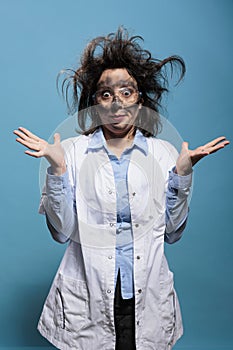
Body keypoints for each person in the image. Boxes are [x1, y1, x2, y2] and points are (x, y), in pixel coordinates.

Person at [14, 28, 229, 350]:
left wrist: (182, 175)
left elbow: (172, 233)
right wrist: (57, 170)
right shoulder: (70, 152)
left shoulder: (163, 154)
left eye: (126, 92)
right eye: (105, 94)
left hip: (145, 293)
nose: (117, 104)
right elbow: (61, 233)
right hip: (86, 294)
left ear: (140, 99)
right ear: (95, 103)